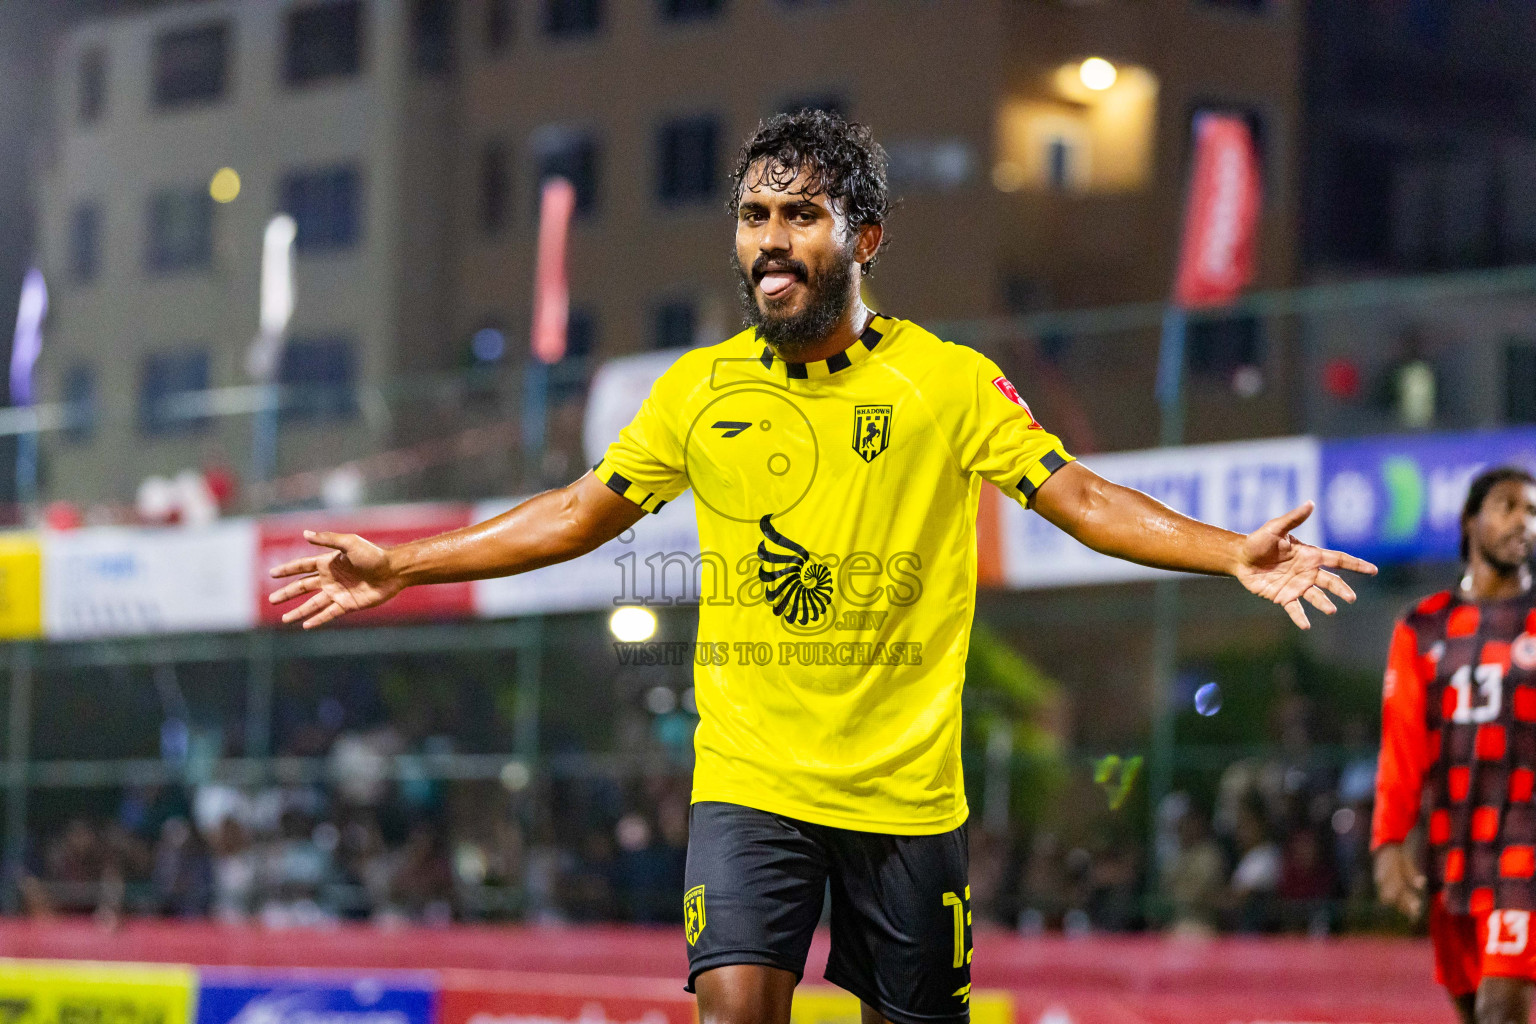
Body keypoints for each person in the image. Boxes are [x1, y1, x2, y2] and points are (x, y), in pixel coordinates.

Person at [270, 111, 1375, 1024]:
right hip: (751, 781)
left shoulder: (945, 384)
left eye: (802, 214)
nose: (772, 240)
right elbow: (575, 513)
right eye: (755, 216)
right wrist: (406, 564)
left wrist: (1227, 549)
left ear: (866, 238)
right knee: (737, 1007)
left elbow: (1078, 498)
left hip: (906, 798)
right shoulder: (698, 391)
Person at [1374, 466, 1536, 1024]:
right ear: (1470, 521)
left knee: (1501, 1007)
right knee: (1473, 1009)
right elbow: (1402, 745)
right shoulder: (1423, 626)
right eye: (1509, 506)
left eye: (1534, 511)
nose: (1525, 521)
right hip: (1453, 848)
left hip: (1526, 841)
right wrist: (1389, 842)